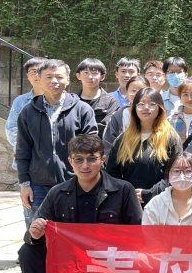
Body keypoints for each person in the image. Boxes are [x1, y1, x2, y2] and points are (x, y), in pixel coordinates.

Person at [19, 135, 141, 273]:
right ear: (70, 161)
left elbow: (138, 235)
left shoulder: (123, 190)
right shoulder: (58, 193)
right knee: (28, 251)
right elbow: (31, 234)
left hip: (109, 263)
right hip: (72, 264)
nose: (85, 165)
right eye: (79, 159)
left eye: (92, 159)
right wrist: (35, 233)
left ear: (102, 159)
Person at [15, 59, 99, 216]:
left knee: (73, 228)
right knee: (38, 228)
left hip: (74, 182)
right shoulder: (28, 112)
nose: (54, 81)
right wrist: (24, 184)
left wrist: (89, 179)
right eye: (48, 77)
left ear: (68, 80)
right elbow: (22, 149)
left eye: (59, 77)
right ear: (39, 79)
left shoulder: (82, 109)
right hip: (38, 185)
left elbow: (92, 148)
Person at [106, 87, 181, 206]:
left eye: (152, 104)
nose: (146, 108)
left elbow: (176, 174)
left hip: (161, 204)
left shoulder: (171, 138)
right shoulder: (123, 139)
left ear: (160, 108)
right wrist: (127, 192)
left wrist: (150, 193)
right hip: (128, 205)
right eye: (141, 104)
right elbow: (112, 173)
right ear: (134, 108)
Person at [8, 57, 46, 231]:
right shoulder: (21, 102)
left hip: (55, 166)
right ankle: (32, 245)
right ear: (28, 76)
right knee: (32, 213)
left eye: (40, 71)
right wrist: (33, 148)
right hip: (29, 165)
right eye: (33, 72)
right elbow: (12, 130)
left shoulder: (61, 101)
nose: (37, 75)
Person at [141, 152, 192, 226]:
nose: (182, 176)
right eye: (176, 171)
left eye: (188, 171)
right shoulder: (155, 204)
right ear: (168, 173)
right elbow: (148, 233)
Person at [102, 76, 148, 156]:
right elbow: (108, 144)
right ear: (126, 92)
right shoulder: (118, 116)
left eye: (141, 91)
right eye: (133, 90)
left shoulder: (155, 114)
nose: (137, 94)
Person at [75, 58, 120, 135]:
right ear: (78, 76)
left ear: (102, 77)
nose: (90, 76)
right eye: (86, 72)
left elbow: (108, 129)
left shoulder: (111, 102)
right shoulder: (72, 101)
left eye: (94, 73)